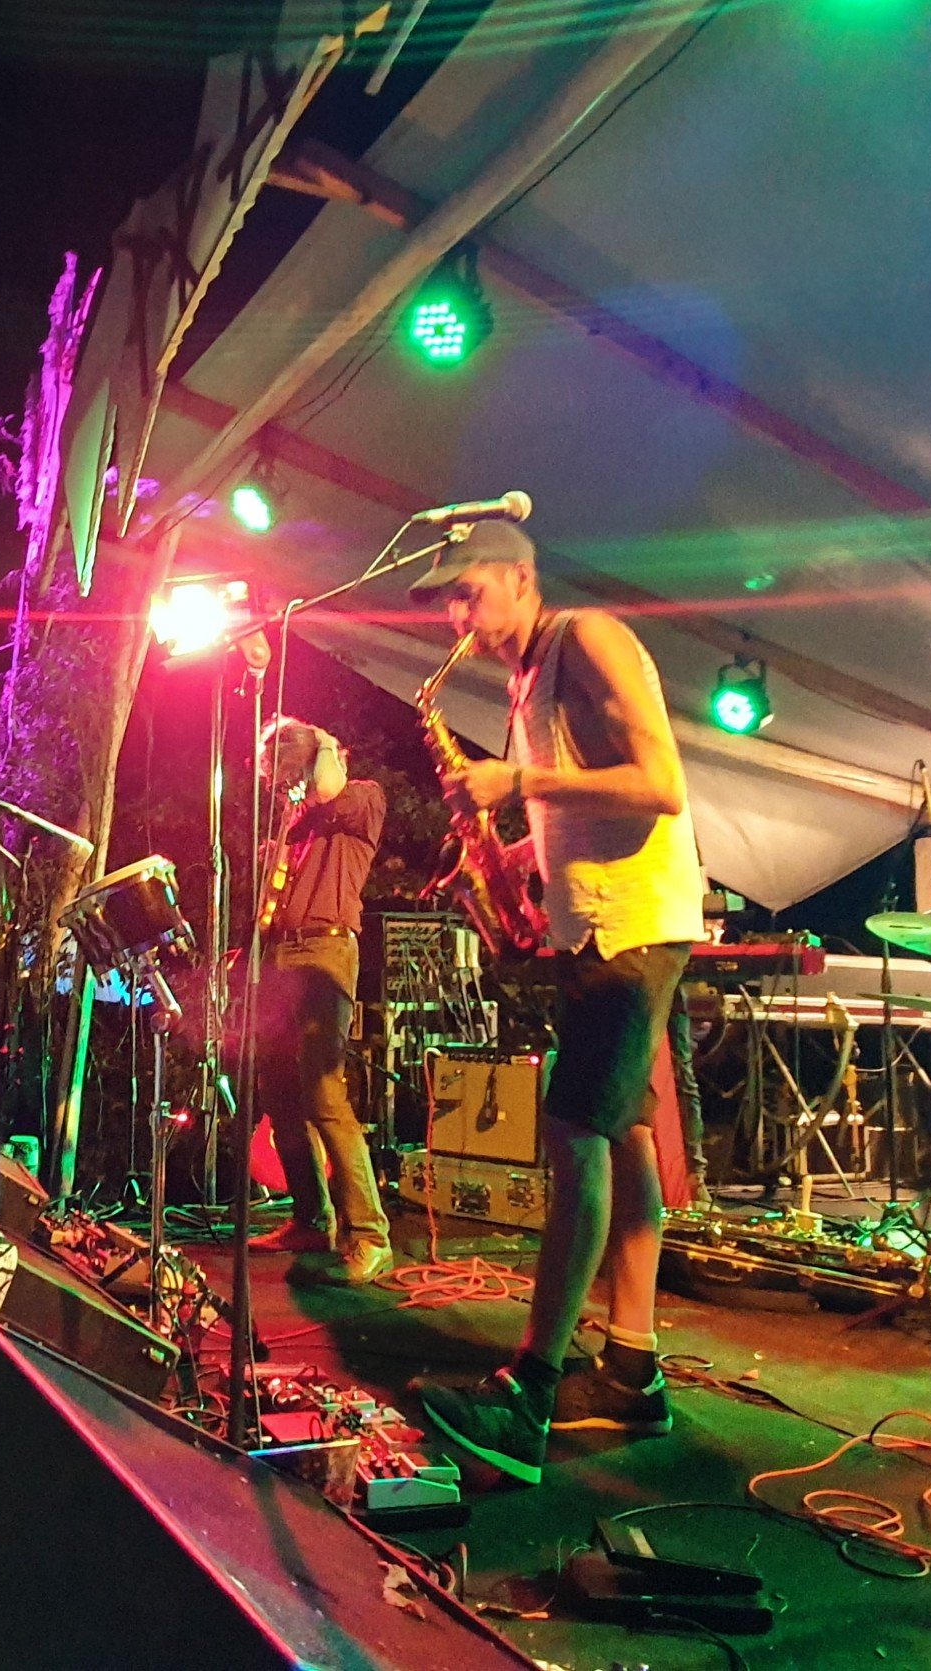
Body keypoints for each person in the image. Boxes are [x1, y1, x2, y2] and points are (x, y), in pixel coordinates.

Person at [403, 518, 706, 1486]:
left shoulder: (588, 637)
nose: (458, 616)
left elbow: (659, 784)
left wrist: (517, 779)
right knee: (625, 1139)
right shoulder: (528, 678)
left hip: (631, 930)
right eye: (447, 601)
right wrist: (514, 854)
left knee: (573, 1135)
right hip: (594, 930)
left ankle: (529, 1394)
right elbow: (587, 804)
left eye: (469, 591)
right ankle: (633, 1371)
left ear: (522, 577)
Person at [247, 716, 393, 1286]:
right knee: (279, 1091)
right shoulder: (298, 825)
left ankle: (370, 1234)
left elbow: (330, 787)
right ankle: (311, 1218)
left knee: (324, 1092)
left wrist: (323, 745)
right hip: (281, 955)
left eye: (289, 774)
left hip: (326, 952)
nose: (286, 787)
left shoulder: (362, 799)